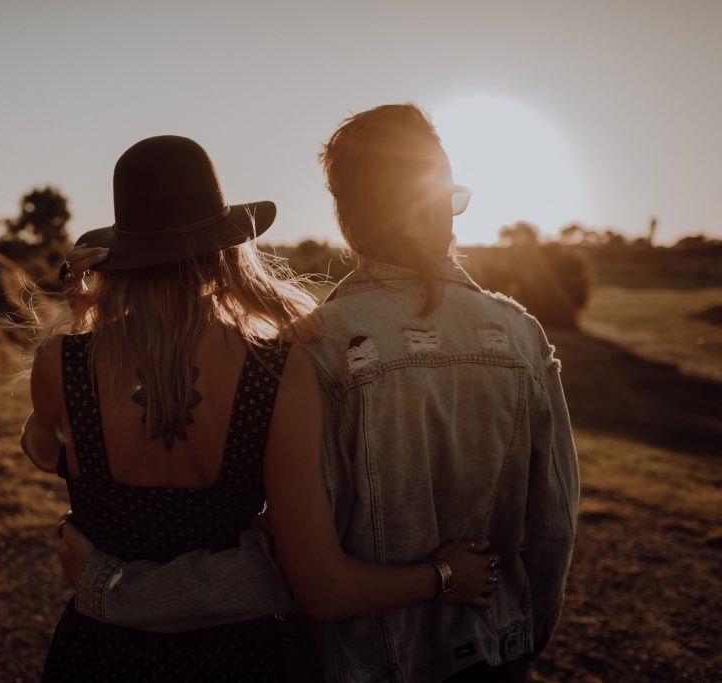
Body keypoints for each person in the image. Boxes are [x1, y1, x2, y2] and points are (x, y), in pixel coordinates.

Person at [54, 106, 580, 682]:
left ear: (346, 214)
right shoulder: (522, 335)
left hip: (362, 664)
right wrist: (525, 636)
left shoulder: (314, 348)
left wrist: (114, 590)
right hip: (495, 654)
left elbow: (285, 566)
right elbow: (552, 526)